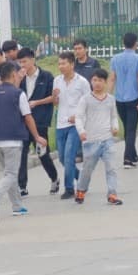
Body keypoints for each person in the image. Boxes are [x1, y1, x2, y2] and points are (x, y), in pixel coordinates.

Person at [0, 62, 49, 219]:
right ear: (13, 75)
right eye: (19, 74)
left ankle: (17, 206)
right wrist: (37, 136)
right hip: (13, 141)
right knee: (11, 174)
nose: (20, 76)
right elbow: (28, 117)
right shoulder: (19, 94)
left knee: (8, 174)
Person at [73, 69, 123, 206]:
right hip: (90, 141)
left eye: (100, 80)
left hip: (107, 140)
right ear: (91, 81)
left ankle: (112, 194)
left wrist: (115, 127)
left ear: (105, 82)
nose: (97, 83)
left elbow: (113, 116)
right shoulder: (86, 99)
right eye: (94, 80)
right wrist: (81, 131)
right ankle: (81, 190)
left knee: (111, 168)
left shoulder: (110, 99)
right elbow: (79, 117)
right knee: (87, 170)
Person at [16, 48, 59, 196]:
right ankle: (22, 186)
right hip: (22, 121)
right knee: (22, 152)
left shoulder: (46, 76)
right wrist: (18, 80)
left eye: (24, 61)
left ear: (33, 60)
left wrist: (37, 102)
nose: (22, 65)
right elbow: (13, 93)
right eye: (20, 62)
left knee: (42, 153)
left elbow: (53, 98)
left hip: (40, 121)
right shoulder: (19, 78)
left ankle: (54, 178)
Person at [53, 51, 90, 199]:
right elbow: (56, 103)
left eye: (64, 63)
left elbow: (89, 102)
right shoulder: (57, 81)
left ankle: (69, 189)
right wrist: (54, 97)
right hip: (60, 123)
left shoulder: (82, 82)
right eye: (59, 63)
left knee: (69, 156)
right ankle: (82, 178)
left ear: (72, 64)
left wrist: (79, 116)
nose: (61, 66)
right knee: (62, 158)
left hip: (76, 124)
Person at [109, 32, 138, 169]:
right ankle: (127, 159)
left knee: (127, 127)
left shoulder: (115, 59)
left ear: (123, 43)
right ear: (136, 43)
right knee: (131, 129)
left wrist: (108, 95)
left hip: (119, 99)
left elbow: (112, 78)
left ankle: (133, 155)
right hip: (133, 98)